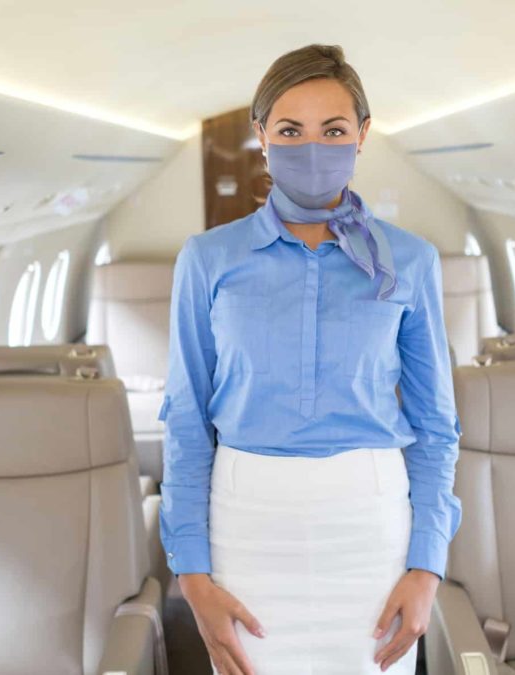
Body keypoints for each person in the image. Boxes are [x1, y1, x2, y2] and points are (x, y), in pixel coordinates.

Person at [157, 43, 462, 675]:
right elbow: (186, 421)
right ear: (261, 137)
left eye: (334, 131)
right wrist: (191, 572)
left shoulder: (410, 261)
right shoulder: (209, 259)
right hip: (245, 521)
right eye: (291, 131)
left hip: (372, 525)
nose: (313, 149)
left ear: (362, 136)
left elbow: (436, 427)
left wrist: (426, 565)